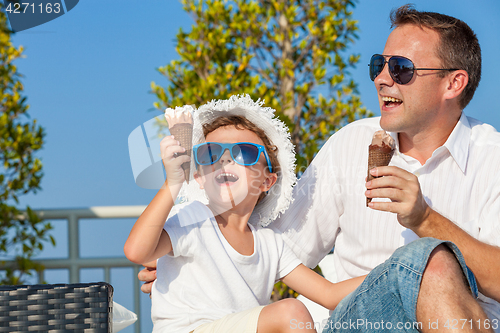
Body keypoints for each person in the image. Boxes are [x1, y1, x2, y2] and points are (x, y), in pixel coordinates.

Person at [138, 6, 500, 332]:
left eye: (401, 69)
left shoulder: (492, 157)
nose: (381, 79)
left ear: (454, 83)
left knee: (431, 262)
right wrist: (201, 262)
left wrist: (424, 220)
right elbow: (271, 244)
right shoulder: (349, 145)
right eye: (379, 65)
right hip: (353, 323)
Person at [125, 95, 365, 333]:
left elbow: (329, 294)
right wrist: (172, 183)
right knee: (291, 313)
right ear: (198, 177)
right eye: (210, 153)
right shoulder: (192, 218)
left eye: (245, 153)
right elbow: (137, 251)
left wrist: (395, 267)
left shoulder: (271, 245)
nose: (225, 159)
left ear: (267, 181)